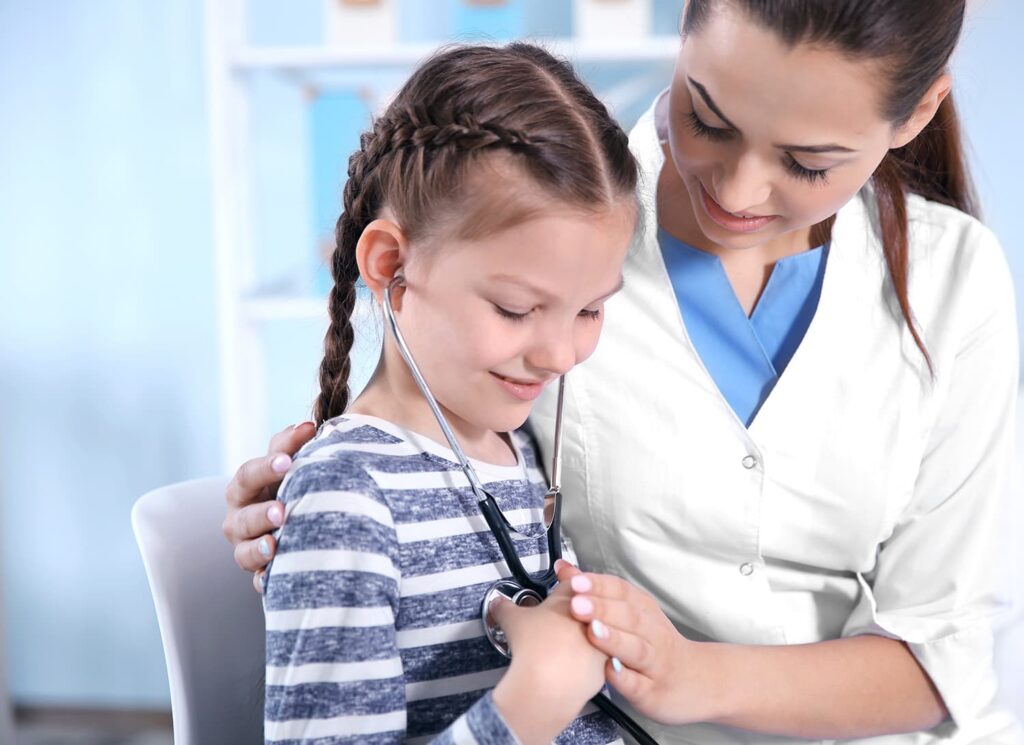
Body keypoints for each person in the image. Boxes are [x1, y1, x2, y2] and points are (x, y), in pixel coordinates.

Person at [225, 2, 1023, 743]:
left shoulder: (958, 279)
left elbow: (945, 655)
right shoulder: (554, 219)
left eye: (809, 163)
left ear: (914, 115)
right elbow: (414, 434)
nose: (737, 192)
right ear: (684, 24)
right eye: (706, 119)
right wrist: (303, 513)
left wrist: (690, 672)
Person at [252, 42, 642, 745]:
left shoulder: (516, 445)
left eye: (589, 310)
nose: (559, 354)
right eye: (517, 309)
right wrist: (531, 701)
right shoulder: (350, 496)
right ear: (392, 266)